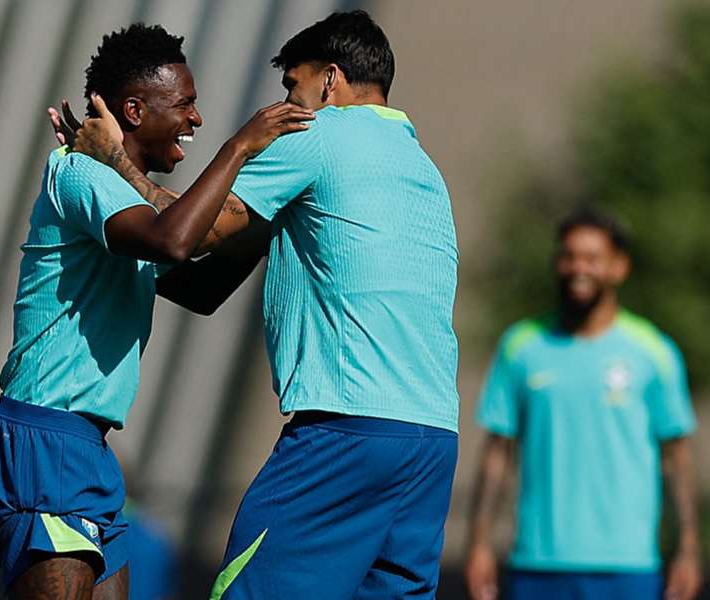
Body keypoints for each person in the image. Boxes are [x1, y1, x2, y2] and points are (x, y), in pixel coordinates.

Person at [56, 11, 460, 599]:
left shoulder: (318, 134)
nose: (286, 105)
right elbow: (210, 275)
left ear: (329, 81)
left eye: (291, 87)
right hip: (431, 443)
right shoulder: (422, 168)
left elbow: (190, 232)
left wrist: (111, 162)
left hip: (345, 432)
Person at [0, 23, 312, 600]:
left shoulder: (126, 202)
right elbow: (172, 242)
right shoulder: (80, 174)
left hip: (87, 451)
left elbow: (200, 288)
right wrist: (239, 150)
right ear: (134, 110)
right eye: (184, 104)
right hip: (45, 437)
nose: (196, 119)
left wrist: (271, 212)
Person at [464, 208, 702, 600]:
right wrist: (478, 543)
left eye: (592, 258)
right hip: (537, 564)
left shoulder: (653, 352)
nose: (579, 268)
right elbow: (498, 454)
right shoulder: (521, 346)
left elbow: (677, 457)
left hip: (628, 567)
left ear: (619, 267)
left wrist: (689, 550)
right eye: (569, 256)